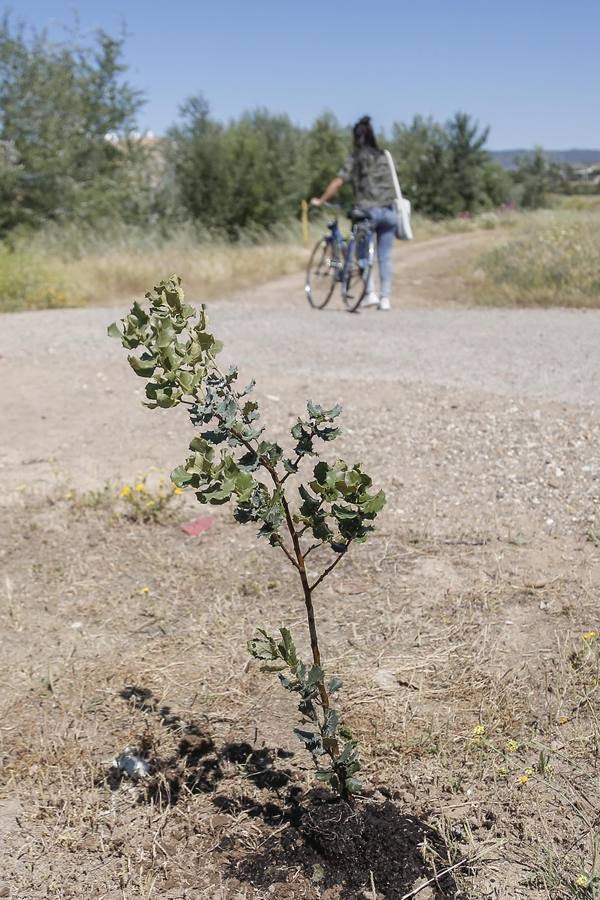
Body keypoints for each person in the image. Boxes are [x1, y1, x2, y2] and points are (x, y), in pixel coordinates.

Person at [310, 116, 398, 311]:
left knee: (361, 255)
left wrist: (321, 200)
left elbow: (339, 181)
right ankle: (385, 299)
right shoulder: (385, 156)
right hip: (390, 212)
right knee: (385, 257)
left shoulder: (356, 158)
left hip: (366, 212)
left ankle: (369, 294)